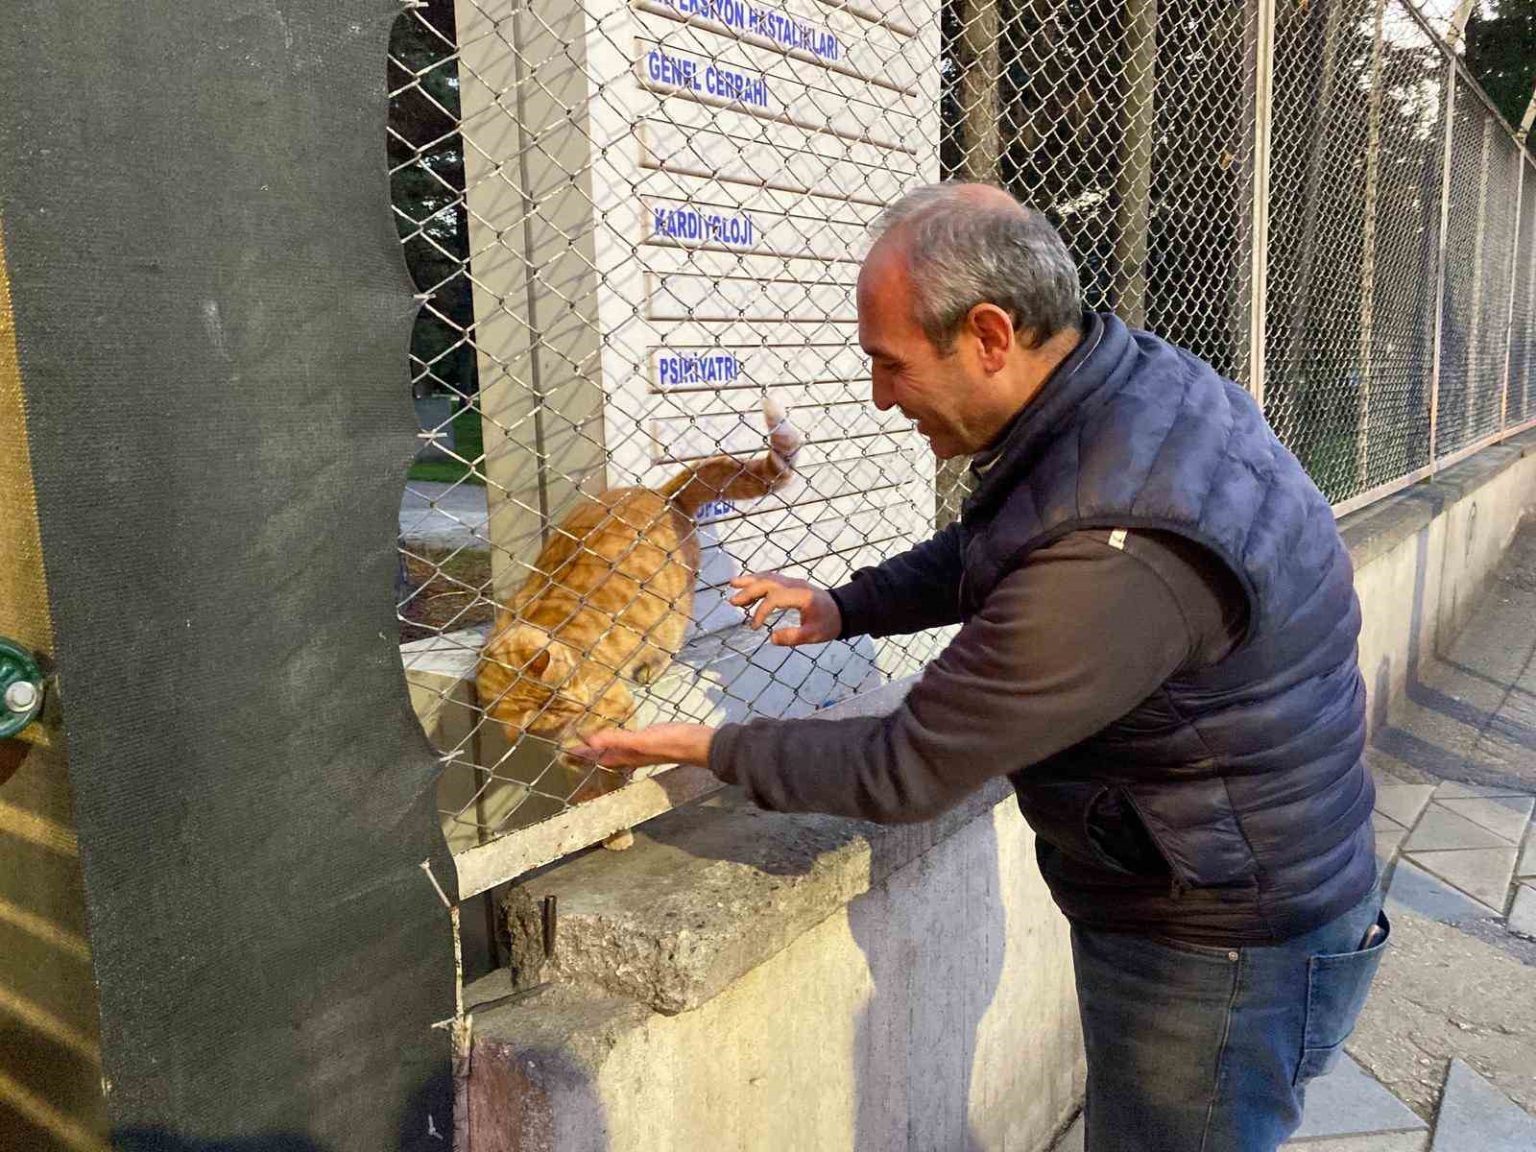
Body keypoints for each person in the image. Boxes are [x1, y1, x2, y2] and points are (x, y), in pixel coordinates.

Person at [574, 183, 1387, 1152]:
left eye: (891, 363)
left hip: (1223, 948)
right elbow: (1001, 544)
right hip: (1221, 878)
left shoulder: (1119, 550)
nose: (880, 396)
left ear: (991, 336)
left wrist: (702, 747)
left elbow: (903, 769)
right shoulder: (1124, 396)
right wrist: (848, 605)